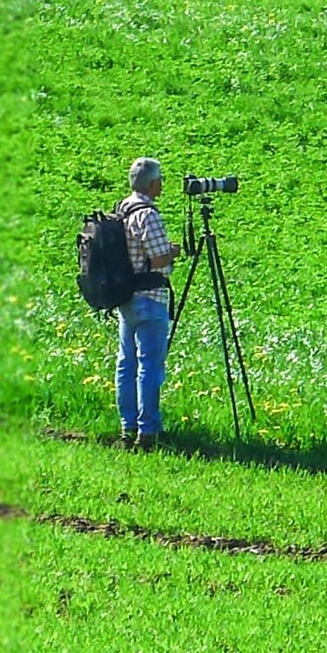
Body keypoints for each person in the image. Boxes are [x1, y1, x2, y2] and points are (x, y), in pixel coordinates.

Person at [115, 157, 181, 451]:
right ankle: (148, 432)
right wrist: (174, 251)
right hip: (150, 299)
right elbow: (158, 259)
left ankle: (127, 427)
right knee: (149, 366)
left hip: (126, 296)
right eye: (161, 180)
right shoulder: (148, 215)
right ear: (154, 184)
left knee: (126, 364)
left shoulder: (122, 209)